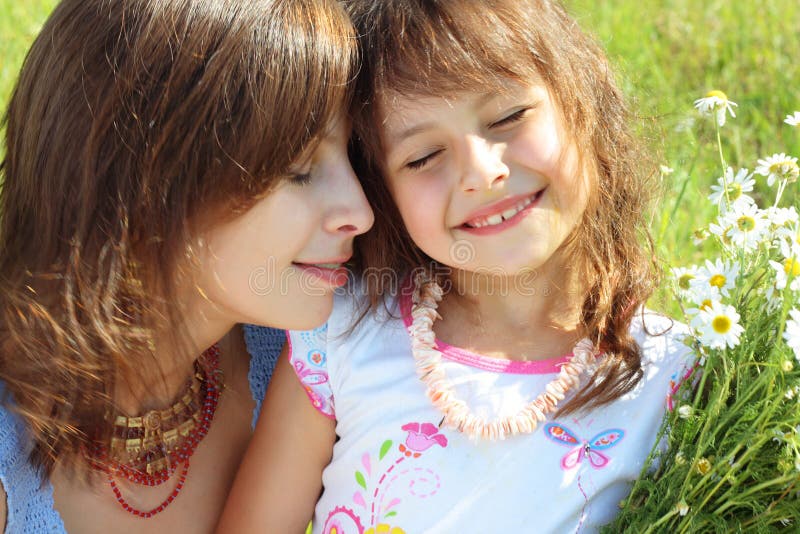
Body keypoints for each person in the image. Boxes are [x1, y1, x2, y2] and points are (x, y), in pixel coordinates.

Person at [219, 0, 693, 532]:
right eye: (422, 157)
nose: (481, 172)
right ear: (381, 188)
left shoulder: (675, 377)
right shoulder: (341, 335)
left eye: (508, 117)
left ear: (582, 103)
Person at [0, 0, 373, 532]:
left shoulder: (311, 362)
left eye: (353, 158)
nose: (359, 212)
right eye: (299, 168)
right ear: (144, 184)